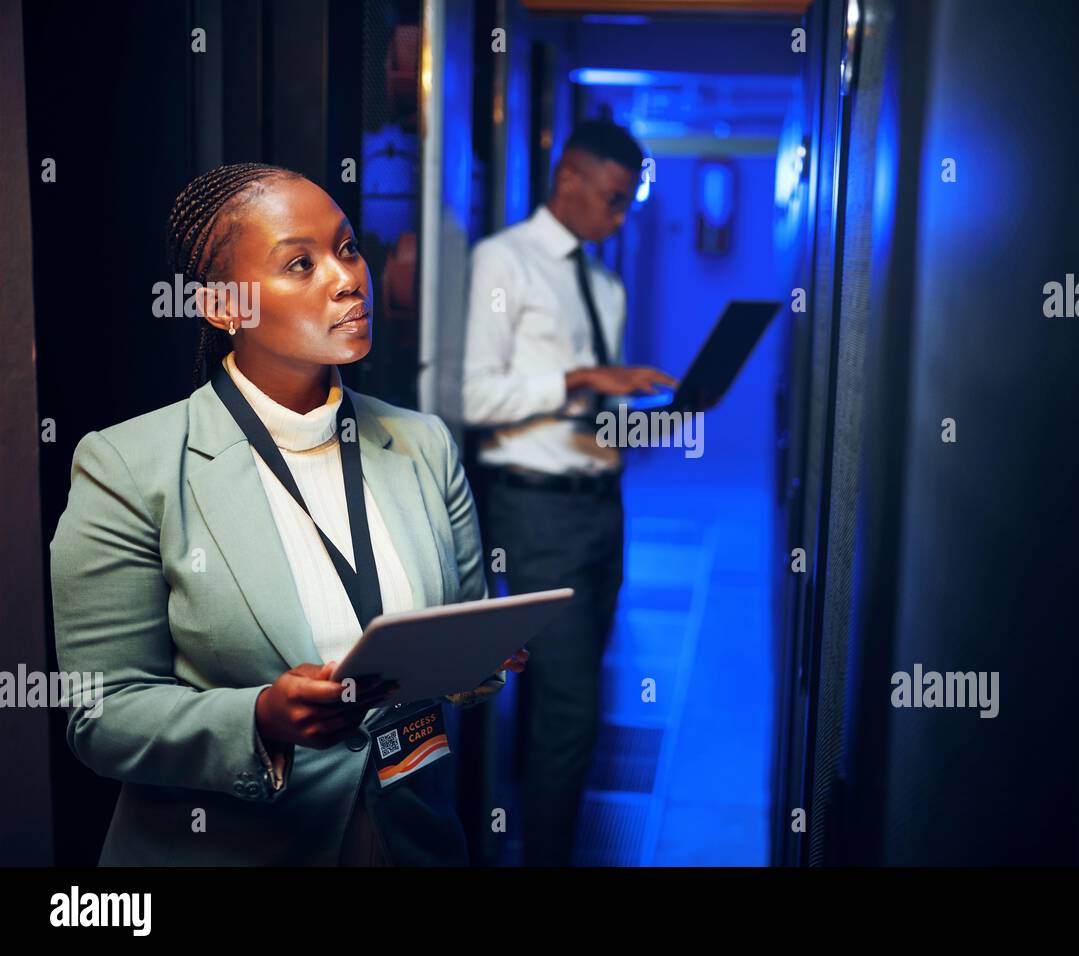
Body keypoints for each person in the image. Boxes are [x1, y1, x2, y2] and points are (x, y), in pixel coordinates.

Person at [49, 162, 526, 866]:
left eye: (349, 247)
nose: (346, 278)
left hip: (409, 841)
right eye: (300, 263)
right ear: (223, 306)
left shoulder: (423, 443)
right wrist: (260, 719)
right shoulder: (128, 466)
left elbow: (461, 645)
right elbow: (102, 714)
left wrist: (478, 658)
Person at [462, 119, 674, 865]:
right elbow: (474, 396)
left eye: (628, 205)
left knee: (569, 695)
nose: (621, 219)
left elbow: (596, 418)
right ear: (568, 180)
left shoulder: (607, 286)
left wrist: (654, 424)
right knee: (573, 714)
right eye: (613, 201)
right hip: (534, 512)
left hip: (600, 510)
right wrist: (582, 378)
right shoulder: (504, 263)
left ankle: (538, 829)